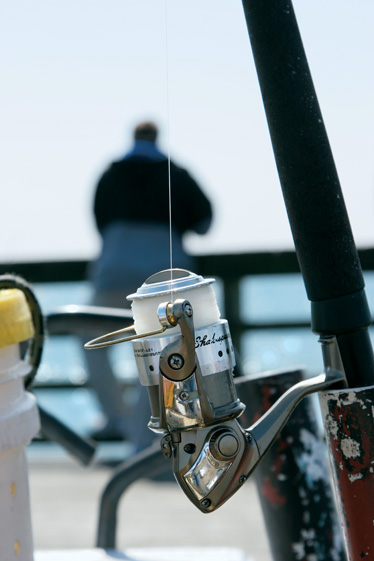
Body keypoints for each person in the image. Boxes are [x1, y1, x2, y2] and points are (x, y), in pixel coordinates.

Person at [84, 121, 213, 446]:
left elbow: (99, 222)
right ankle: (147, 433)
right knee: (163, 352)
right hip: (164, 277)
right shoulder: (178, 175)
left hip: (114, 272)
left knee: (90, 338)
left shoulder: (109, 176)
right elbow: (204, 221)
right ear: (157, 138)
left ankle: (116, 416)